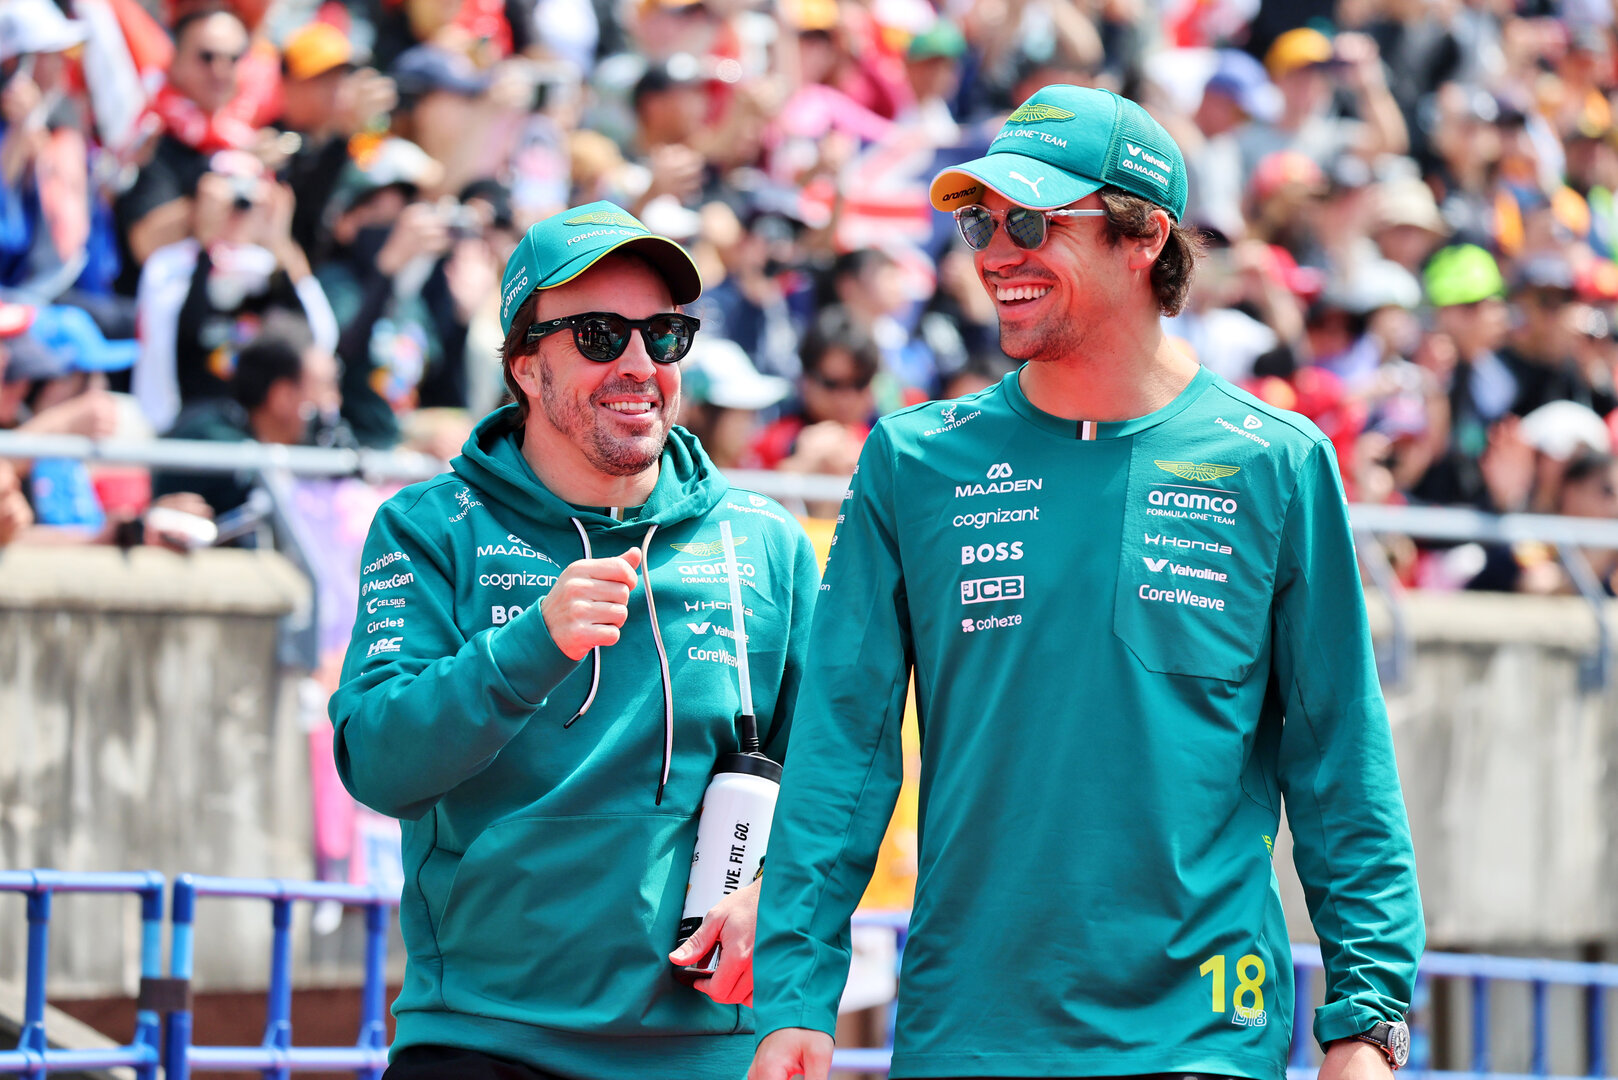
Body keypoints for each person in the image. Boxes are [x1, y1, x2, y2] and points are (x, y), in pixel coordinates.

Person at [750, 85, 1424, 1080]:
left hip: (1199, 1039)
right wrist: (793, 994)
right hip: (966, 1034)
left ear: (1144, 236)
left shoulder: (1273, 462)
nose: (992, 253)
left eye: (1032, 221)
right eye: (979, 221)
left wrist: (1365, 1022)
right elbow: (842, 747)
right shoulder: (912, 460)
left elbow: (1339, 758)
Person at [328, 200, 821, 1080]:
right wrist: (529, 649)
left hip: (712, 1049)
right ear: (524, 363)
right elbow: (377, 761)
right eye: (598, 335)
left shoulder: (767, 541)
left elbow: (833, 778)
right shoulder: (431, 527)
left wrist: (777, 895)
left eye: (664, 335)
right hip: (485, 1041)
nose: (638, 364)